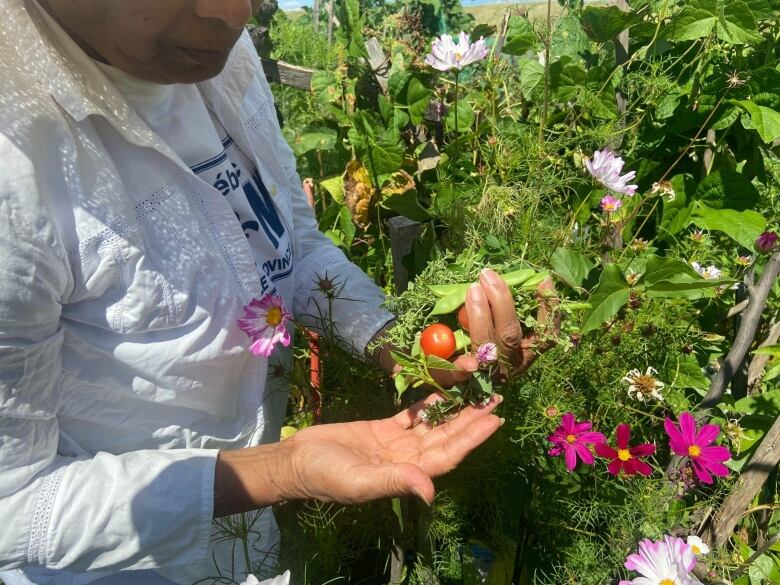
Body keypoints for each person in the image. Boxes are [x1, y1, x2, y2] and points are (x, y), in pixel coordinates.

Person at [0, 1, 554, 583]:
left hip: (250, 550)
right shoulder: (21, 168)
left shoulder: (221, 60)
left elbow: (294, 246)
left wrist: (397, 346)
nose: (233, 12)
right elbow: (12, 506)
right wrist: (279, 470)